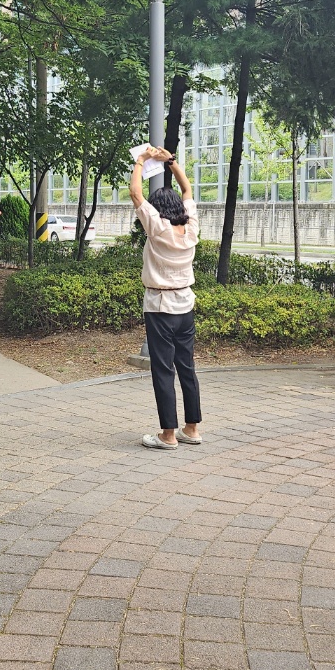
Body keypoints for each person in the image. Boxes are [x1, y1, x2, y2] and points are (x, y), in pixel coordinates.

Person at [130, 147, 202, 450]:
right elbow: (187, 189)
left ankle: (168, 435)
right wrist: (171, 161)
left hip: (160, 307)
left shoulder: (157, 227)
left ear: (157, 210)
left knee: (163, 370)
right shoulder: (191, 227)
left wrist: (141, 160)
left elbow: (136, 194)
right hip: (185, 305)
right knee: (186, 367)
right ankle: (192, 429)